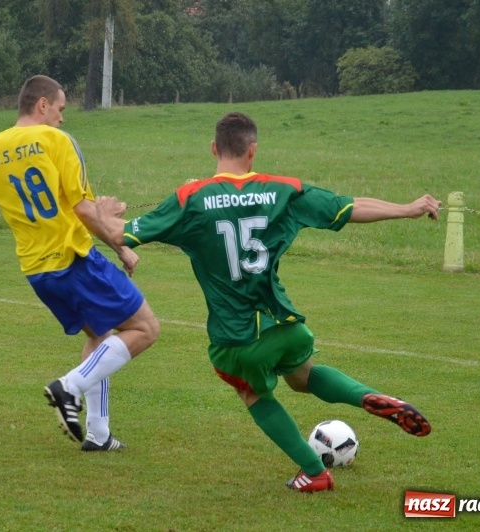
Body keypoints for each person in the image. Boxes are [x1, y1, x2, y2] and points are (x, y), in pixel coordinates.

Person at [95, 111, 438, 492]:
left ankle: (315, 472)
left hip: (237, 335)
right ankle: (368, 396)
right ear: (252, 150)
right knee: (304, 377)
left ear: (214, 148)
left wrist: (102, 213)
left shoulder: (191, 198)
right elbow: (348, 206)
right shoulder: (283, 189)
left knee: (251, 392)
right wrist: (408, 208)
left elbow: (120, 234)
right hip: (284, 323)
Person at [0, 74, 160, 452]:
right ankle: (69, 386)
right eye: (60, 109)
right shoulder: (56, 140)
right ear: (42, 105)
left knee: (99, 335)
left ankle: (98, 433)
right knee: (146, 328)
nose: (62, 118)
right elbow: (82, 209)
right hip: (74, 260)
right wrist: (120, 246)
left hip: (38, 273)